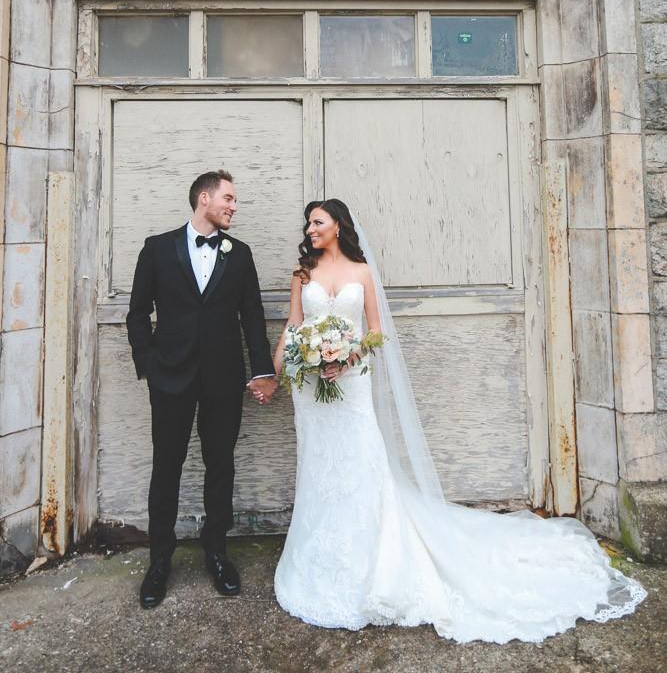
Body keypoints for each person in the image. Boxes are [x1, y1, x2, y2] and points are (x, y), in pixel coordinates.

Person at [265, 198, 646, 644]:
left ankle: (373, 565)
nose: (310, 229)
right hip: (312, 393)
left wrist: (348, 356)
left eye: (318, 222)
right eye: (308, 223)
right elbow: (293, 327)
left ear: (337, 226)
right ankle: (319, 564)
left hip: (351, 387)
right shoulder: (302, 276)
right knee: (319, 468)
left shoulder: (362, 273)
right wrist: (276, 376)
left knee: (359, 466)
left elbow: (375, 332)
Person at [126, 170, 278, 609]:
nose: (234, 206)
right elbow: (138, 313)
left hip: (223, 381)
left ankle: (217, 553)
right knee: (166, 468)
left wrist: (262, 370)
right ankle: (159, 562)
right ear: (204, 198)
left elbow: (251, 316)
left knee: (220, 466)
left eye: (235, 201)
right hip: (169, 379)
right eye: (228, 198)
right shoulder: (157, 248)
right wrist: (149, 365)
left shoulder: (241, 254)